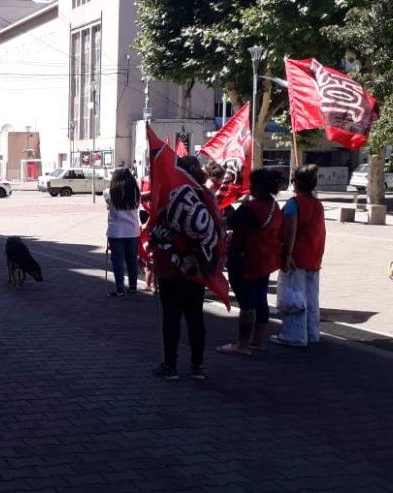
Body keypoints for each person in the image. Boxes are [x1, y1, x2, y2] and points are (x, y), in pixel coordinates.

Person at [153, 156, 219, 380]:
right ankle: (197, 366)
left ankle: (170, 366)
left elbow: (158, 226)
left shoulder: (170, 194)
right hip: (196, 267)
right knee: (195, 317)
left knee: (171, 318)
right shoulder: (205, 196)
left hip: (171, 267)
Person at [217, 169, 283, 356]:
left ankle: (242, 344)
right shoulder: (274, 206)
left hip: (245, 259)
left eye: (252, 184)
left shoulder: (250, 208)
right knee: (260, 299)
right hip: (265, 259)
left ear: (259, 187)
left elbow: (230, 223)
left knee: (246, 303)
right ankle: (257, 341)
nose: (250, 187)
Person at [271, 165, 326, 347]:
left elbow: (290, 232)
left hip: (297, 257)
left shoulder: (293, 204)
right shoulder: (318, 204)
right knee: (311, 299)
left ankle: (294, 335)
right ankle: (311, 333)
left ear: (297, 183)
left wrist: (286, 254)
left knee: (294, 297)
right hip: (314, 256)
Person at [106, 167, 141, 296]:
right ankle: (133, 286)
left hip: (116, 231)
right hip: (132, 230)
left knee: (117, 260)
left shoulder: (109, 192)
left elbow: (108, 206)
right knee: (132, 259)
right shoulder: (135, 192)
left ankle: (120, 288)